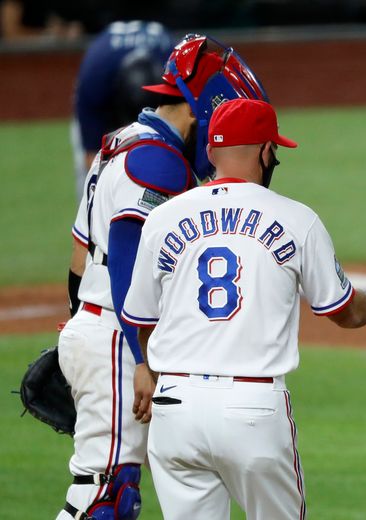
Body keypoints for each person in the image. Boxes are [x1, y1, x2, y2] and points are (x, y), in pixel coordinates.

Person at [120, 97, 366, 518]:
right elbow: (344, 311)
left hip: (174, 408)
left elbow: (144, 321)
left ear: (212, 153)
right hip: (251, 407)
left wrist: (160, 373)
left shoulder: (162, 218)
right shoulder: (296, 219)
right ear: (265, 151)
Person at [57, 34, 268, 520]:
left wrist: (76, 327)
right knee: (107, 496)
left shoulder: (122, 141)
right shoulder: (158, 161)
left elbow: (78, 249)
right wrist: (142, 358)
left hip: (99, 327)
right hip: (118, 336)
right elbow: (129, 260)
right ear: (198, 114)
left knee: (111, 489)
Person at [71, 20, 174, 201]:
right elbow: (91, 156)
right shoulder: (94, 79)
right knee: (90, 183)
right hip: (105, 97)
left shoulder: (174, 67)